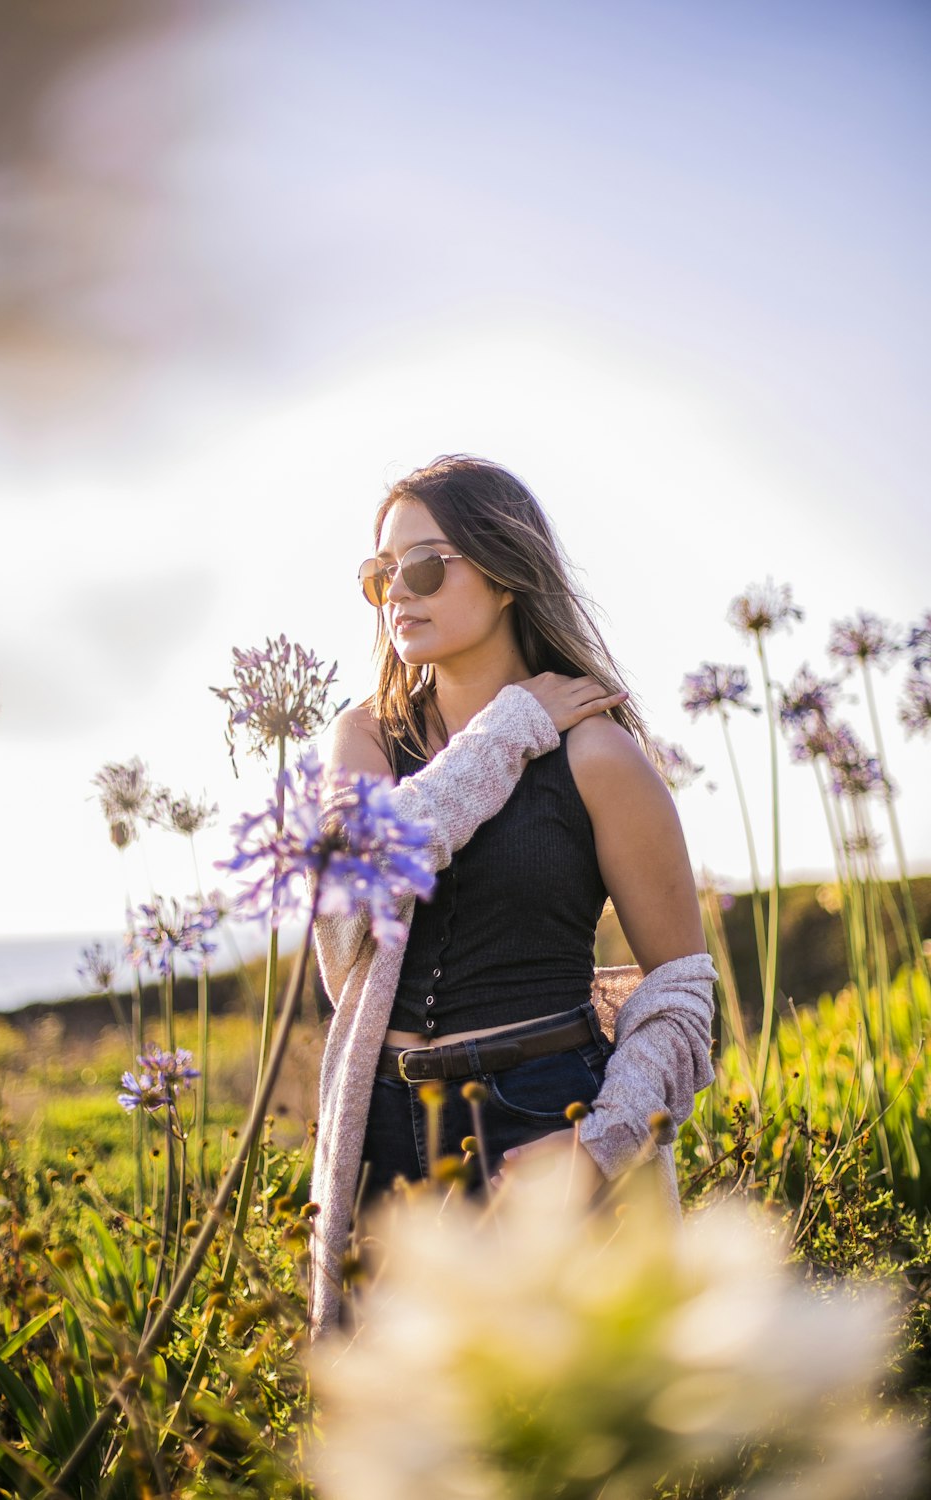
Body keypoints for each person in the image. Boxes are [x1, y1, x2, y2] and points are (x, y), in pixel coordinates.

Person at [308, 455, 716, 1336]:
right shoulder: (362, 740)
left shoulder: (600, 758)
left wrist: (596, 1149)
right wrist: (513, 728)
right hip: (381, 1121)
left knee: (553, 1435)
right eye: (378, 577)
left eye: (422, 567)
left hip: (540, 1112)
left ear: (505, 574)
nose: (395, 596)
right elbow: (371, 879)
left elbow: (683, 990)